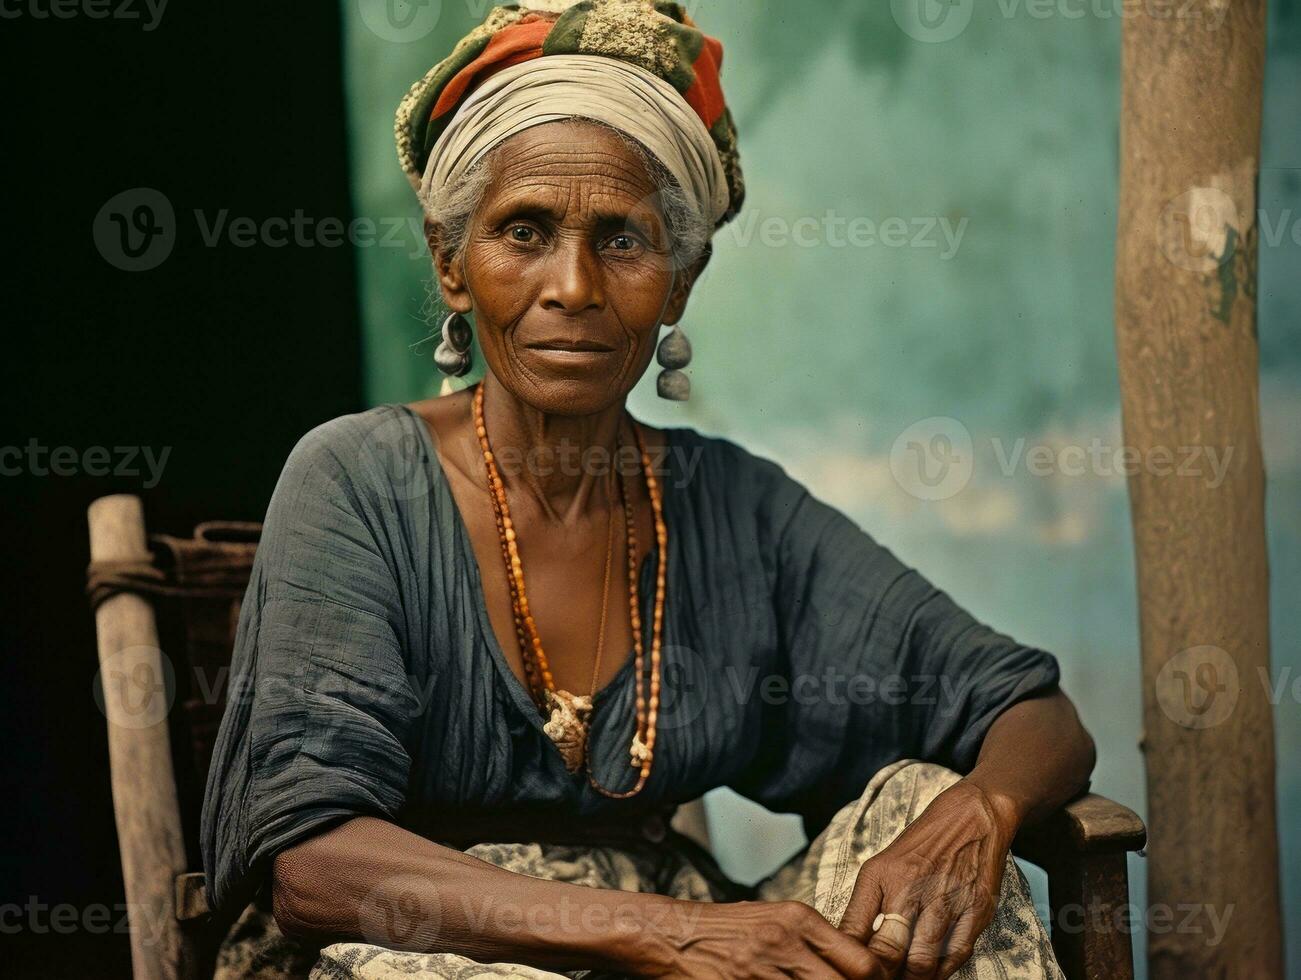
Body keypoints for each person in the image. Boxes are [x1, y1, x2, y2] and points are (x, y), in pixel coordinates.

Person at [201, 3, 1095, 977]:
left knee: (928, 801)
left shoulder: (732, 510)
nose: (574, 285)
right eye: (524, 231)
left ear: (678, 280)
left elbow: (1030, 713)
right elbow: (312, 865)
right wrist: (664, 930)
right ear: (450, 262)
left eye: (622, 240)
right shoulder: (358, 480)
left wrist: (976, 811)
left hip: (672, 937)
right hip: (414, 948)